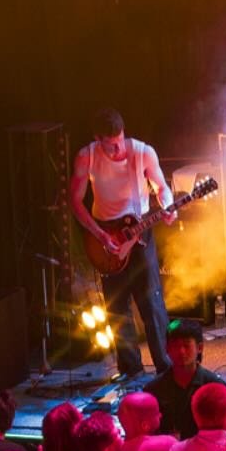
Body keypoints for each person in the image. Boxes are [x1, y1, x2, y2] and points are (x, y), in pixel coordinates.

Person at [69, 106, 173, 379]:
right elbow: (76, 201)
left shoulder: (142, 152)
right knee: (116, 306)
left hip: (138, 231)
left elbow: (161, 187)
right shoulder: (86, 156)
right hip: (105, 236)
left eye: (118, 143)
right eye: (108, 145)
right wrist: (100, 234)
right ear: (97, 139)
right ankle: (131, 370)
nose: (115, 150)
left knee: (151, 301)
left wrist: (168, 206)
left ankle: (164, 366)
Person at [145, 318, 226, 439]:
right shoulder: (153, 389)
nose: (181, 351)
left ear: (199, 348)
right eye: (175, 346)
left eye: (186, 345)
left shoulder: (215, 386)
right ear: (167, 349)